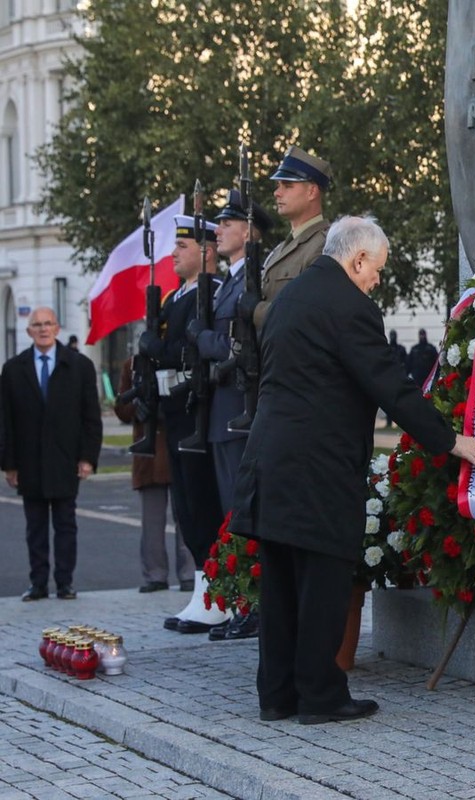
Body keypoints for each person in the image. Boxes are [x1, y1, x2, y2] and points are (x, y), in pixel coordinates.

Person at [230, 216, 475, 725]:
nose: (377, 281)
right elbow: (391, 386)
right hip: (317, 466)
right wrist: (450, 440)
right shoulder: (351, 307)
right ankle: (322, 697)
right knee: (323, 581)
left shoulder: (290, 297)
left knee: (280, 585)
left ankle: (277, 697)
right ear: (359, 258)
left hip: (270, 459)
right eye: (377, 270)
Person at [190, 188, 273, 641]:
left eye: (226, 224)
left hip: (241, 411)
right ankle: (242, 601)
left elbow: (242, 349)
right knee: (230, 510)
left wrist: (203, 339)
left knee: (243, 509)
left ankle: (255, 603)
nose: (217, 231)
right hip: (224, 413)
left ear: (249, 231)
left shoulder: (250, 282)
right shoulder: (229, 282)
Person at [139, 214, 227, 634]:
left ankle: (216, 595)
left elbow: (194, 347)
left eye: (183, 247)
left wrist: (161, 347)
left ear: (207, 252)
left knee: (201, 500)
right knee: (186, 506)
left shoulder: (209, 295)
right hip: (174, 411)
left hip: (196, 408)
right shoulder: (177, 297)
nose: (174, 254)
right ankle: (202, 590)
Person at [1, 307, 101, 601]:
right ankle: (39, 583)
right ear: (28, 330)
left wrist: (87, 457)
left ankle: (65, 582)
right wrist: (9, 464)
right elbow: (5, 420)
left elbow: (91, 417)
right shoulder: (13, 369)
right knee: (35, 528)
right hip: (28, 460)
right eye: (37, 325)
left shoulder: (79, 365)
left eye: (48, 324)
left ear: (57, 328)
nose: (43, 329)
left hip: (66, 458)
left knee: (65, 524)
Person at [114, 356, 193, 592]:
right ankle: (155, 574)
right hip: (149, 456)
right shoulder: (133, 364)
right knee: (152, 522)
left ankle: (189, 572)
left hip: (178, 447)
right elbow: (121, 407)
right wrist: (135, 408)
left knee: (186, 518)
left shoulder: (183, 356)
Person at [241, 146, 332, 330]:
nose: (277, 192)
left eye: (287, 185)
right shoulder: (279, 250)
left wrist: (256, 310)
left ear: (312, 192)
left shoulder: (325, 245)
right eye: (278, 185)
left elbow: (308, 314)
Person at [383, 331, 408, 429]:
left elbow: (407, 362)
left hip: (399, 378)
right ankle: (389, 422)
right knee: (388, 402)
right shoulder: (386, 348)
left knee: (401, 402)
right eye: (391, 335)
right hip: (388, 379)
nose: (393, 337)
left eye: (394, 335)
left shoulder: (401, 349)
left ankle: (401, 423)